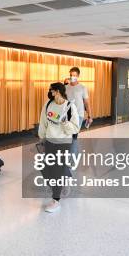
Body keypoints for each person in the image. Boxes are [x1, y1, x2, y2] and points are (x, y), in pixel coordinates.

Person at [38, 82, 80, 213]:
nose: (50, 92)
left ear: (58, 91)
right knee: (44, 167)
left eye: (52, 90)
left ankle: (56, 200)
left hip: (63, 143)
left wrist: (65, 123)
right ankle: (64, 178)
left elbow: (75, 128)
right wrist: (42, 138)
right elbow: (43, 122)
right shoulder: (48, 104)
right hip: (50, 141)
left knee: (57, 170)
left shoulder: (70, 107)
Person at [64, 67, 92, 156]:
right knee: (68, 135)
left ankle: (73, 157)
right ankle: (71, 153)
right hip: (67, 114)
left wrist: (90, 116)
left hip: (79, 115)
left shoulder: (82, 87)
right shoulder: (65, 87)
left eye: (75, 75)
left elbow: (87, 102)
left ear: (78, 76)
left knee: (74, 135)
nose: (73, 77)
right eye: (71, 75)